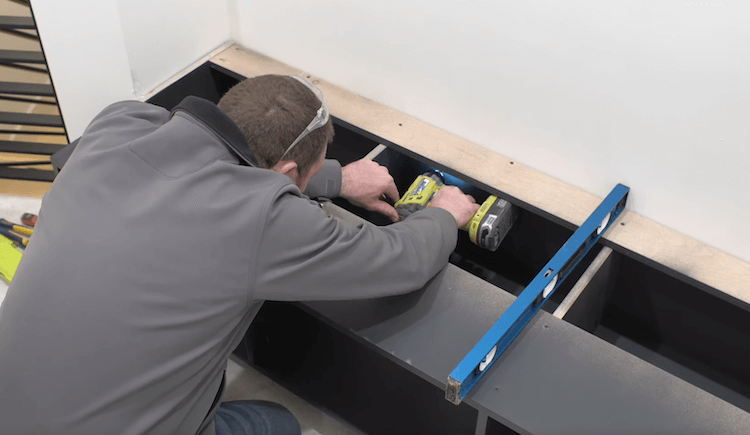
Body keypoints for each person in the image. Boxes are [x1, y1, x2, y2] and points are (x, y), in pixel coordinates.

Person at [0, 74, 479, 435]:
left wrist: (333, 178)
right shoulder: (265, 219)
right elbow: (402, 260)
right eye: (305, 179)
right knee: (278, 424)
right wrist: (444, 213)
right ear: (289, 172)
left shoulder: (118, 123)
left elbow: (206, 151)